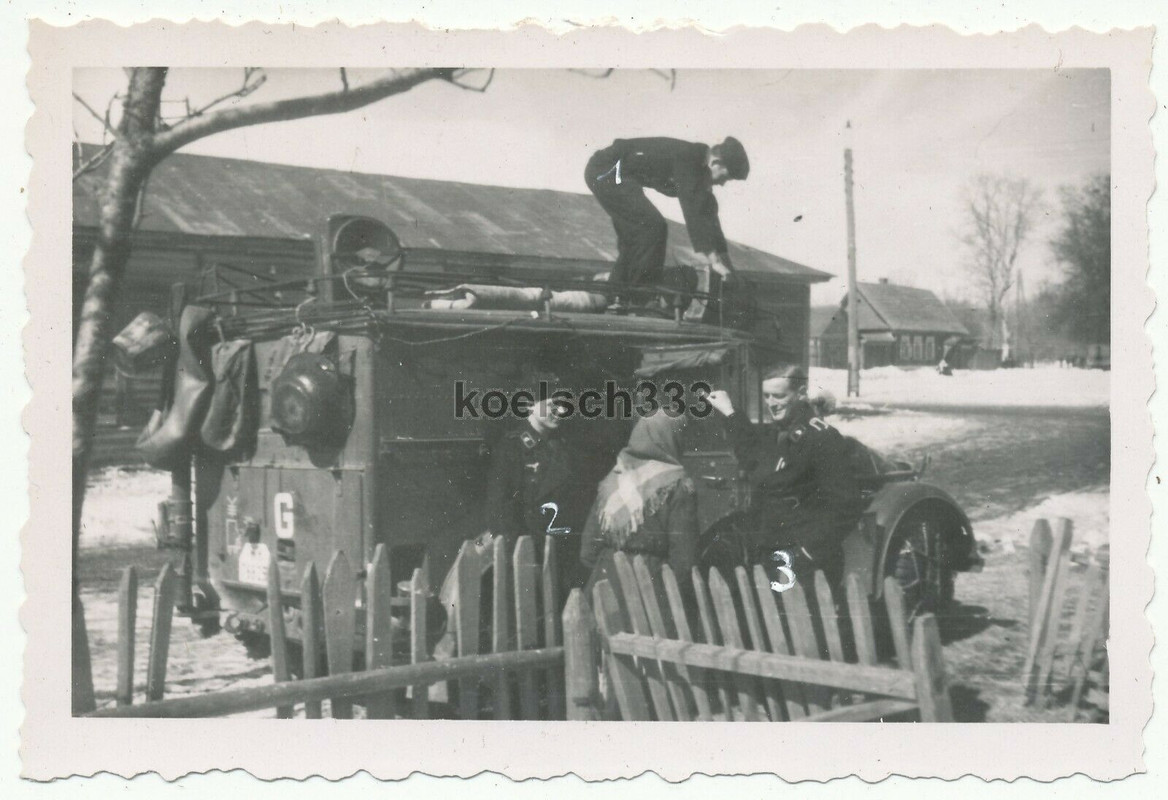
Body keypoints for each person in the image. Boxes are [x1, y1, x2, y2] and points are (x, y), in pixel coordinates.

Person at [706, 365, 862, 589]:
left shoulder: (821, 437)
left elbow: (846, 503)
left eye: (779, 396)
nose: (771, 403)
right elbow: (752, 457)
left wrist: (808, 551)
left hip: (806, 559)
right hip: (773, 549)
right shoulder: (778, 433)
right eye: (767, 396)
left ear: (800, 393)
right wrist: (730, 413)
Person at [584, 136, 750, 319]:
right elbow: (693, 209)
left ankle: (614, 294)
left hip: (614, 173)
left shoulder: (698, 167)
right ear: (715, 162)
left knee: (634, 238)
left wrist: (730, 270)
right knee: (652, 227)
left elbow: (709, 218)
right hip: (605, 169)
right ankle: (640, 301)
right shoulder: (691, 159)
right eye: (725, 177)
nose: (722, 183)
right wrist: (714, 261)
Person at [579, 412, 699, 600]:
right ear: (673, 438)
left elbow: (588, 552)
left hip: (607, 584)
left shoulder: (613, 480)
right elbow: (684, 560)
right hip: (652, 587)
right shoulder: (677, 484)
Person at [484, 397, 587, 547]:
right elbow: (499, 505)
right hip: (526, 546)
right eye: (552, 405)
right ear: (530, 406)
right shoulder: (511, 448)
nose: (561, 411)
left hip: (559, 545)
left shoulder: (565, 447)